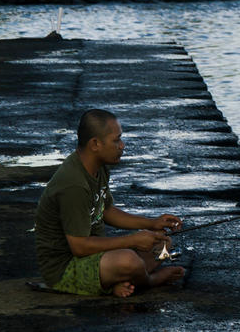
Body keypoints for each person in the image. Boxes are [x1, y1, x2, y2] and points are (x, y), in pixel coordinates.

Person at [35, 109, 185, 298]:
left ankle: (121, 281)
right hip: (65, 268)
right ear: (95, 144)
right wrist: (132, 240)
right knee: (128, 260)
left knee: (162, 243)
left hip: (95, 257)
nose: (122, 146)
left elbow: (106, 211)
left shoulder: (99, 167)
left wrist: (152, 223)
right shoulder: (74, 185)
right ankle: (149, 281)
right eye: (116, 140)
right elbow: (79, 247)